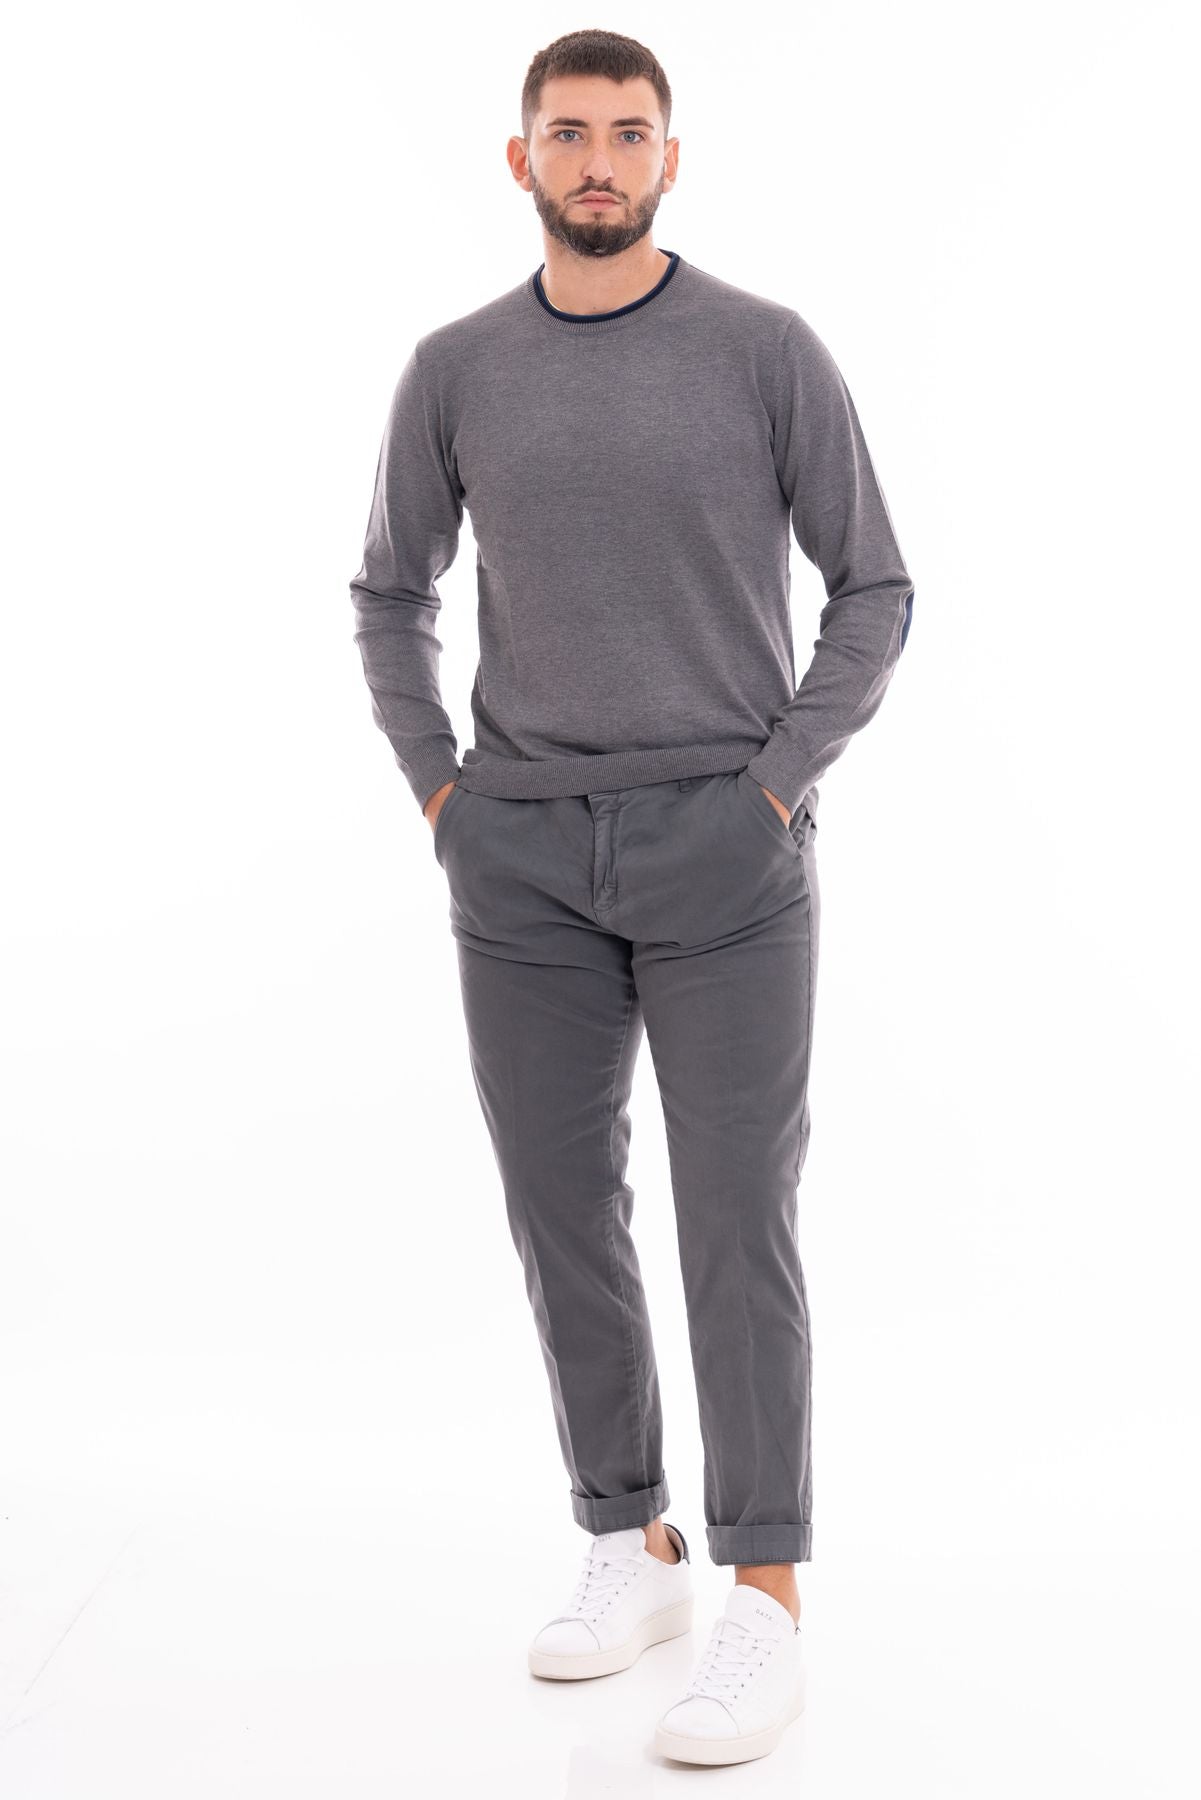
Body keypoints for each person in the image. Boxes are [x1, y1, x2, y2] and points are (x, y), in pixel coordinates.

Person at [348, 28, 914, 1768]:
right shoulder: (454, 369)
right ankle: (630, 1540)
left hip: (724, 848)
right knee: (560, 1208)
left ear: (671, 157)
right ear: (518, 158)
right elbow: (388, 594)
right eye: (567, 131)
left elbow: (873, 588)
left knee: (737, 1215)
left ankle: (766, 1596)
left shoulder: (763, 350)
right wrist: (443, 793)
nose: (597, 157)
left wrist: (775, 783)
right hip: (518, 851)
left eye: (627, 131)